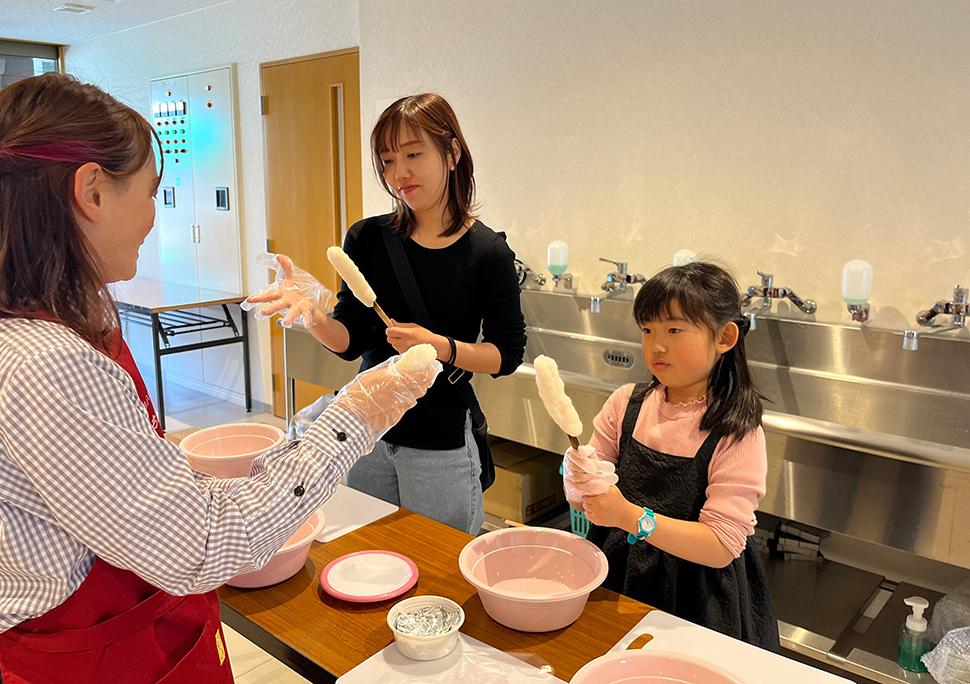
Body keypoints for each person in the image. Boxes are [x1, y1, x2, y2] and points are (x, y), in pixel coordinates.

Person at [0, 72, 439, 684]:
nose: (155, 215)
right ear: (92, 191)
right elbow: (202, 546)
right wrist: (352, 414)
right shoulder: (44, 364)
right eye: (152, 191)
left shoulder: (1, 333)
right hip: (104, 662)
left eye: (413, 154)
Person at [246, 93, 526, 535]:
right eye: (388, 160)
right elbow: (351, 341)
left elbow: (507, 354)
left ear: (452, 153)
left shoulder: (487, 253)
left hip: (441, 443)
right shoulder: (368, 239)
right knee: (368, 555)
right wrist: (314, 318)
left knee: (440, 573)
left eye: (414, 154)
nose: (399, 174)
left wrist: (440, 347)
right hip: (365, 431)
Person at [563, 262, 779, 650]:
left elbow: (720, 545)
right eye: (648, 330)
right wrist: (577, 479)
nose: (656, 345)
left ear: (725, 337)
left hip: (697, 596)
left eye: (674, 330)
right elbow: (584, 501)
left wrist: (629, 516)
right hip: (618, 574)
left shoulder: (736, 432)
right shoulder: (625, 405)